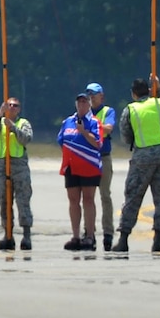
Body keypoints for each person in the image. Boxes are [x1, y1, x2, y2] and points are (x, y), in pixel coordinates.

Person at [109, 74, 160, 254]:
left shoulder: (131, 110)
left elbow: (125, 135)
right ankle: (158, 239)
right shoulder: (159, 104)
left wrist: (134, 142)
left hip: (142, 157)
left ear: (133, 94)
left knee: (133, 197)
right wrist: (158, 87)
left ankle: (123, 239)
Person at [57, 91, 104, 250]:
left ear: (89, 104)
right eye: (79, 102)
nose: (82, 104)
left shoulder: (94, 122)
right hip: (71, 166)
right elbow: (61, 140)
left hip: (88, 165)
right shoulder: (68, 121)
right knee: (73, 201)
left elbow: (98, 143)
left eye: (85, 102)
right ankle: (76, 236)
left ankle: (90, 236)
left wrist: (83, 131)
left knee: (88, 200)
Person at [0, 97, 33, 251]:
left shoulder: (23, 123)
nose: (12, 108)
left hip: (19, 166)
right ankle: (8, 235)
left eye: (15, 106)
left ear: (19, 109)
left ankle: (26, 236)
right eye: (9, 105)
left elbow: (26, 139)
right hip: (2, 166)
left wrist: (13, 127)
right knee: (4, 201)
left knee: (22, 201)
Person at [84, 82, 118, 246]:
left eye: (94, 94)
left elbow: (108, 129)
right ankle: (88, 232)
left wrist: (91, 126)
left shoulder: (107, 111)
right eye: (88, 95)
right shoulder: (84, 112)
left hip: (103, 157)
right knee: (88, 197)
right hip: (87, 156)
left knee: (105, 196)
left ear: (101, 96)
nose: (91, 98)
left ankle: (108, 233)